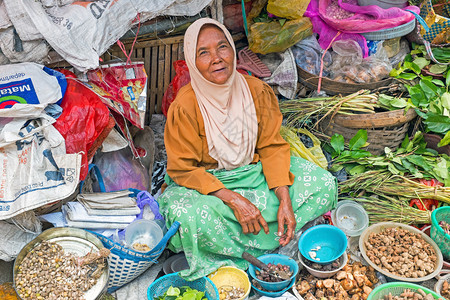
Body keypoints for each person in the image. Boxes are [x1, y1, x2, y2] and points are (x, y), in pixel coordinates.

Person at [158, 18, 337, 280]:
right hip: (211, 185)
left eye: (222, 47)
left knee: (324, 183)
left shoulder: (257, 91)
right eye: (203, 53)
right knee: (189, 215)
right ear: (192, 61)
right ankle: (258, 247)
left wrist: (284, 197)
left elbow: (272, 146)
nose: (216, 58)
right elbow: (183, 169)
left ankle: (243, 242)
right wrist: (234, 200)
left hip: (256, 173)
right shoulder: (184, 107)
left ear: (232, 49)